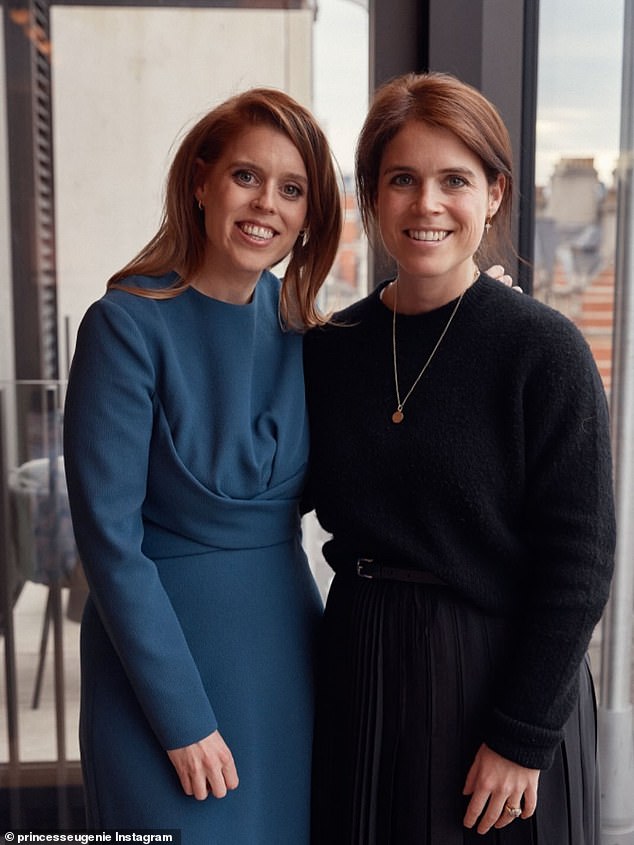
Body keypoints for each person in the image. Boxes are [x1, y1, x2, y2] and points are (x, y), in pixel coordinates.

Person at [304, 71, 615, 844]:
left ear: (495, 194)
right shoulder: (329, 350)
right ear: (372, 196)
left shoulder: (543, 349)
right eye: (402, 179)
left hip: (499, 678)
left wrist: (522, 733)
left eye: (454, 180)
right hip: (361, 666)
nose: (427, 204)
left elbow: (580, 562)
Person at [63, 87, 343, 842]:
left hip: (289, 667)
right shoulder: (124, 325)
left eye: (292, 189)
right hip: (160, 683)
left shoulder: (307, 334)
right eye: (247, 175)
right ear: (200, 180)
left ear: (309, 215)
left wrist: (476, 313)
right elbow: (109, 543)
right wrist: (180, 716)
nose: (267, 204)